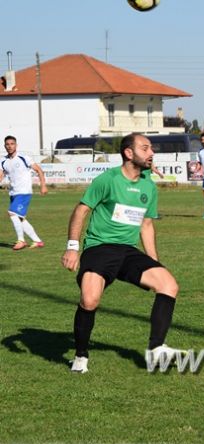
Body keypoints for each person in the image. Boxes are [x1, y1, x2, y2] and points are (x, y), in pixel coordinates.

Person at [61, 133, 183, 374]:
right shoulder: (108, 180)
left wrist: (153, 262)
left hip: (128, 251)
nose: (151, 153)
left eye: (151, 149)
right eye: (145, 148)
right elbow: (81, 210)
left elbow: (146, 225)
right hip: (99, 248)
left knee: (168, 285)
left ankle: (156, 348)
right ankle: (81, 356)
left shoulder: (149, 186)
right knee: (89, 300)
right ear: (129, 153)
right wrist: (73, 248)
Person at [0, 135, 47, 250]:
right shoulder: (3, 161)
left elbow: (39, 170)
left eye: (12, 144)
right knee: (20, 218)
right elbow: (1, 175)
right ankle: (38, 241)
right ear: (4, 146)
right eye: (7, 144)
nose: (10, 146)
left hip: (24, 192)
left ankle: (21, 240)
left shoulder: (24, 158)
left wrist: (43, 186)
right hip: (13, 193)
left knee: (12, 213)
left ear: (16, 145)